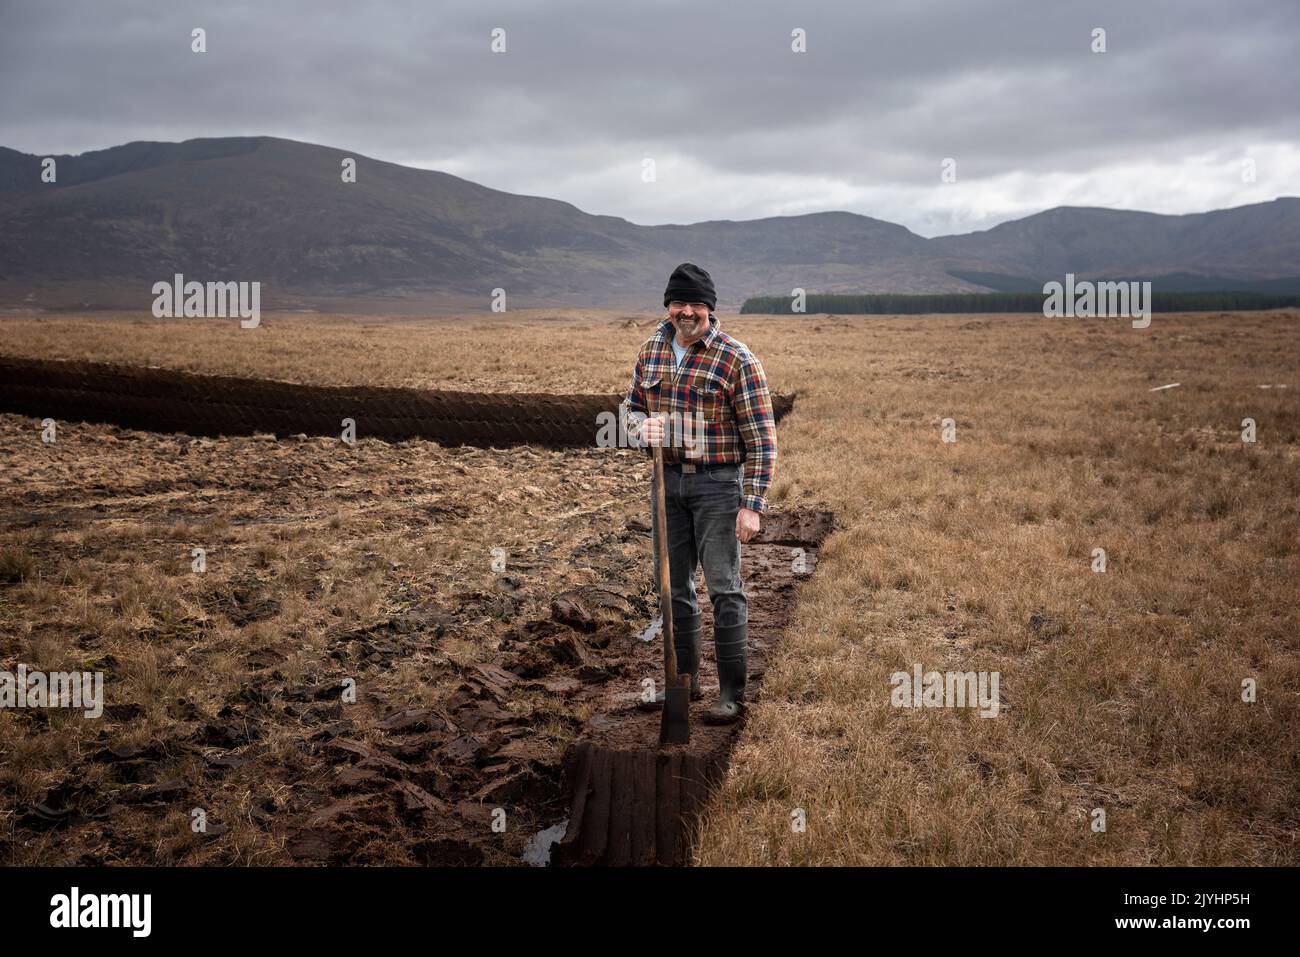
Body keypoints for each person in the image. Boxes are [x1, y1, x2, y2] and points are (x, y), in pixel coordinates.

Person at [624, 263, 777, 724]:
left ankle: (730, 693)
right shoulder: (652, 347)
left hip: (717, 486)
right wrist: (637, 427)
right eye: (679, 303)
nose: (686, 312)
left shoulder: (736, 359)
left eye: (696, 305)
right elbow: (631, 407)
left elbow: (762, 440)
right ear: (668, 305)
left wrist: (752, 505)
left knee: (725, 588)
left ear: (710, 308)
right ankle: (683, 683)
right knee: (672, 588)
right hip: (666, 483)